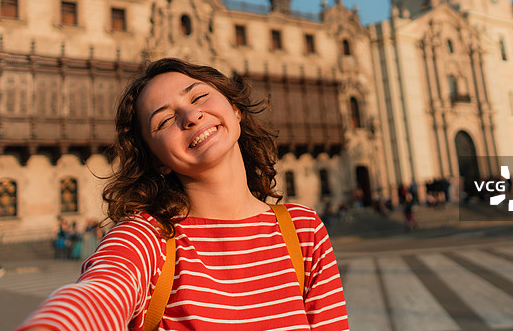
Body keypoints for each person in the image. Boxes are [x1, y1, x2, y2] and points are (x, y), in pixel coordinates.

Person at [17, 58, 348, 330]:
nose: (191, 116)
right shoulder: (146, 238)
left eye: (199, 97)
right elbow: (101, 293)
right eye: (164, 121)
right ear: (158, 161)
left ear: (236, 110)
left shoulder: (303, 231)